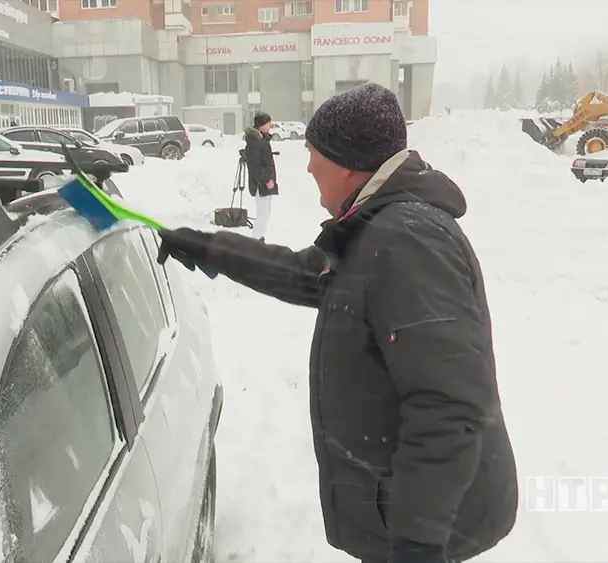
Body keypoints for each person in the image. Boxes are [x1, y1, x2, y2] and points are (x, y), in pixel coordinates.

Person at [155, 83, 517, 563]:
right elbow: (309, 274)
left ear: (347, 161)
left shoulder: (407, 240)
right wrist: (209, 246)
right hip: (406, 512)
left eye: (313, 153)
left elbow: (447, 403)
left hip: (430, 525)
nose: (307, 167)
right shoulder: (379, 228)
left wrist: (417, 541)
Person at [243, 111, 278, 241]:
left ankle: (259, 238)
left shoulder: (261, 139)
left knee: (266, 213)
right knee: (263, 214)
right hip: (260, 183)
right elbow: (255, 166)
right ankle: (256, 241)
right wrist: (266, 179)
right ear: (261, 125)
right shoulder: (255, 142)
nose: (270, 125)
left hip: (265, 181)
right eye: (268, 123)